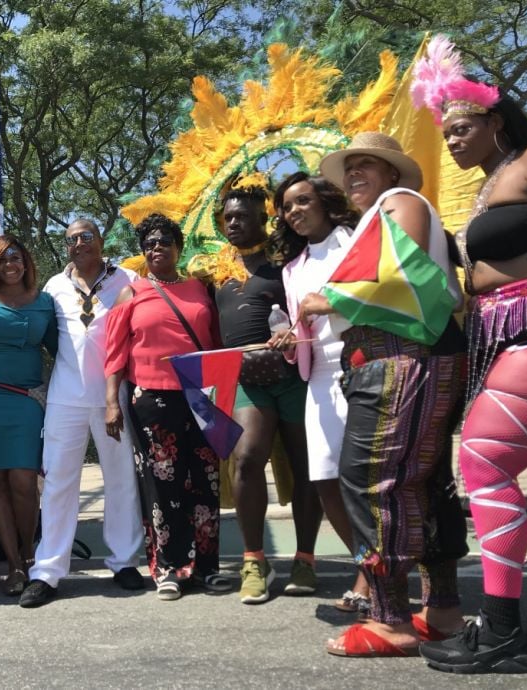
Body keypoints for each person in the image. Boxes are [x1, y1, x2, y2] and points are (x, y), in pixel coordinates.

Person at [411, 36, 527, 673]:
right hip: (507, 338)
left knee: (484, 456)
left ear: (496, 119)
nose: (452, 140)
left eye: (463, 127)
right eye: (445, 133)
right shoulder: (492, 183)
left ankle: (500, 629)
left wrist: (519, 271)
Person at [311, 132, 468, 656]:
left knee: (373, 480)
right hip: (405, 357)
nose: (354, 175)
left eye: (366, 166)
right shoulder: (380, 212)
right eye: (348, 168)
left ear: (392, 172)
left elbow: (395, 274)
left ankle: (390, 619)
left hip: (400, 357)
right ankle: (440, 608)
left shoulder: (399, 203)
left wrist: (323, 298)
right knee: (418, 481)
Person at [191, 187, 323, 605]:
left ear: (264, 219)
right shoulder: (214, 274)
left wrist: (290, 334)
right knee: (246, 457)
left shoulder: (286, 265)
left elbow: (307, 313)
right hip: (245, 381)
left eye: (243, 216)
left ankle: (305, 558)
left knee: (307, 467)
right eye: (228, 217)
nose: (233, 223)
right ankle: (254, 560)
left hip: (294, 378)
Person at [19, 220, 144, 608]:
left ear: (101, 241)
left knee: (121, 477)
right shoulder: (55, 286)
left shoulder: (129, 278)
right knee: (58, 480)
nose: (78, 244)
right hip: (65, 397)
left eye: (86, 237)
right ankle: (48, 571)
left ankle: (124, 561)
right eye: (71, 239)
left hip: (113, 395)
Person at [104, 213, 227, 602]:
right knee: (162, 484)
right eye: (148, 244)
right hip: (152, 398)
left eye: (163, 241)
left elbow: (217, 340)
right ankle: (168, 568)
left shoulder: (201, 288)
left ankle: (207, 567)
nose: (156, 248)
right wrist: (112, 402)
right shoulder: (133, 293)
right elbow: (114, 353)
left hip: (201, 395)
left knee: (205, 481)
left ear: (178, 246)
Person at [271, 172, 370, 613]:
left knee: (369, 481)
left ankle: (377, 579)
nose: (294, 212)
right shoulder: (293, 269)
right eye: (287, 207)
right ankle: (369, 564)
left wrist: (326, 302)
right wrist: (289, 342)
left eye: (302, 201)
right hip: (321, 378)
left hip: (367, 367)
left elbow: (379, 294)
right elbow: (302, 329)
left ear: (327, 202)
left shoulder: (359, 240)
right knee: (326, 480)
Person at [0, 235, 58, 596]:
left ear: (26, 262)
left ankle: (31, 553)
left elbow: (62, 351)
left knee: (23, 479)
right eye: (2, 260)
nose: (10, 265)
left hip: (27, 399)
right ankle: (14, 565)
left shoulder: (44, 302)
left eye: (15, 258)